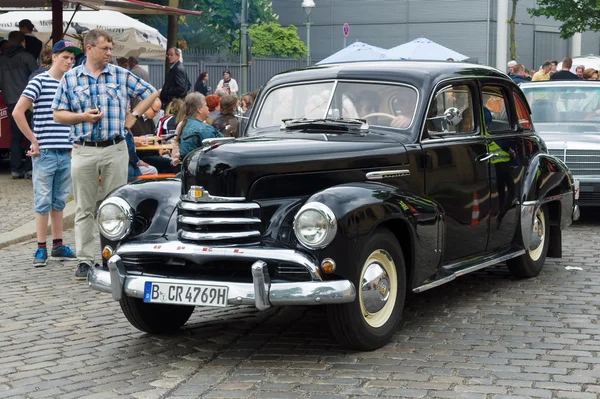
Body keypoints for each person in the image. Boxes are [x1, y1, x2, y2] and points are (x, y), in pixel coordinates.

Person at [52, 29, 157, 280]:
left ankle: (115, 256)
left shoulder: (121, 74)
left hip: (115, 148)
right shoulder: (71, 78)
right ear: (89, 49)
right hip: (84, 149)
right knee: (84, 207)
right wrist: (82, 117)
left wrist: (133, 117)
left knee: (116, 206)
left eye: (111, 49)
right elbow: (58, 114)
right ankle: (85, 260)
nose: (110, 53)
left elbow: (152, 92)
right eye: (105, 49)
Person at [12, 40, 81, 267]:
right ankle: (41, 247)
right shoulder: (39, 81)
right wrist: (33, 139)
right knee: (43, 200)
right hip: (45, 151)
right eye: (65, 57)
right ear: (54, 57)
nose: (69, 62)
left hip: (67, 150)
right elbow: (17, 112)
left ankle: (58, 244)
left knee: (59, 200)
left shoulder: (71, 84)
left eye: (72, 58)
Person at [0, 31, 38, 179]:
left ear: (9, 42)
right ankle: (29, 169)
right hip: (27, 102)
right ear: (23, 42)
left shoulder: (2, 60)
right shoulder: (27, 57)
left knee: (15, 137)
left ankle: (15, 170)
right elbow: (36, 77)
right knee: (30, 135)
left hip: (10, 101)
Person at [171, 93, 221, 166]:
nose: (208, 108)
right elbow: (216, 152)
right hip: (200, 169)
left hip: (185, 166)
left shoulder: (184, 124)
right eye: (206, 105)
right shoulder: (204, 129)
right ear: (199, 110)